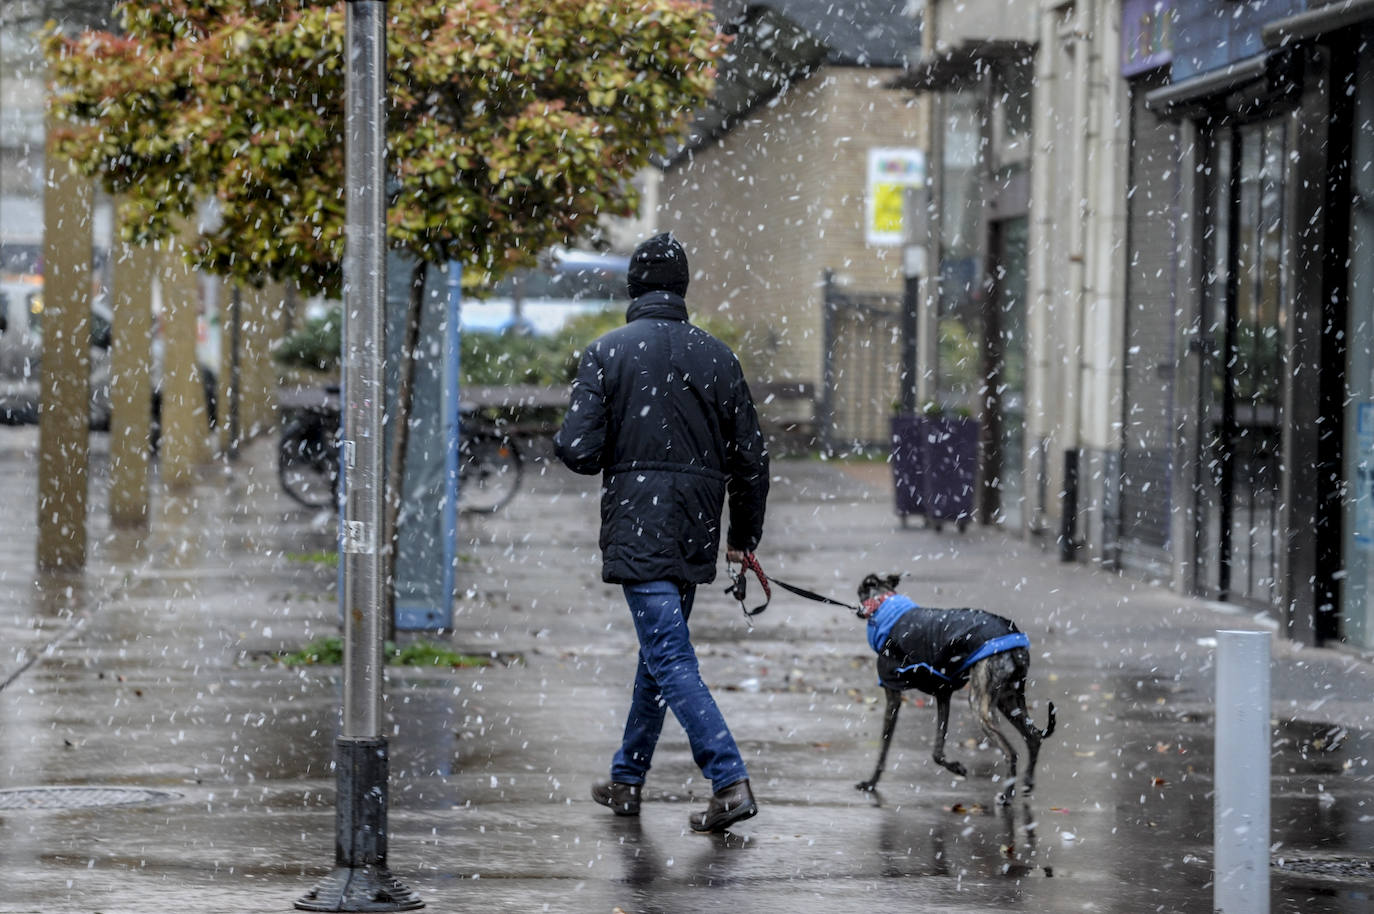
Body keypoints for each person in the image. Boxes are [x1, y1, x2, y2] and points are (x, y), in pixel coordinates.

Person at [554, 231, 769, 833]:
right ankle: (627, 778)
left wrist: (584, 433)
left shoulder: (608, 353)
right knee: (660, 653)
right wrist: (743, 536)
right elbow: (752, 459)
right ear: (682, 290)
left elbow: (579, 450)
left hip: (638, 525)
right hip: (695, 526)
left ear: (633, 288)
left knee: (669, 654)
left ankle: (728, 779)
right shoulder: (719, 357)